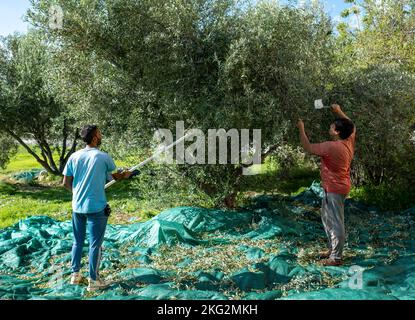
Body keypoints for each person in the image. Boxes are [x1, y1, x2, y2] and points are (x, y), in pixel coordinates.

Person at [62, 125, 131, 291]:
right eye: (99, 134)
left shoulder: (74, 156)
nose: (101, 136)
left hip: (77, 207)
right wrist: (125, 175)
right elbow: (114, 176)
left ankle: (75, 275)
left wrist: (78, 193)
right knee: (95, 245)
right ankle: (94, 281)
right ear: (94, 138)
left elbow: (65, 183)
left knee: (77, 241)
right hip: (96, 207)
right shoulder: (103, 157)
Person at [297, 104, 356, 266]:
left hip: (335, 189)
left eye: (332, 126)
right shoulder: (348, 140)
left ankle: (336, 258)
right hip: (336, 187)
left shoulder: (332, 147)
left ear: (337, 132)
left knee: (336, 221)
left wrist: (301, 128)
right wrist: (338, 111)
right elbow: (351, 125)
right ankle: (332, 249)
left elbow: (307, 147)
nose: (329, 127)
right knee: (327, 219)